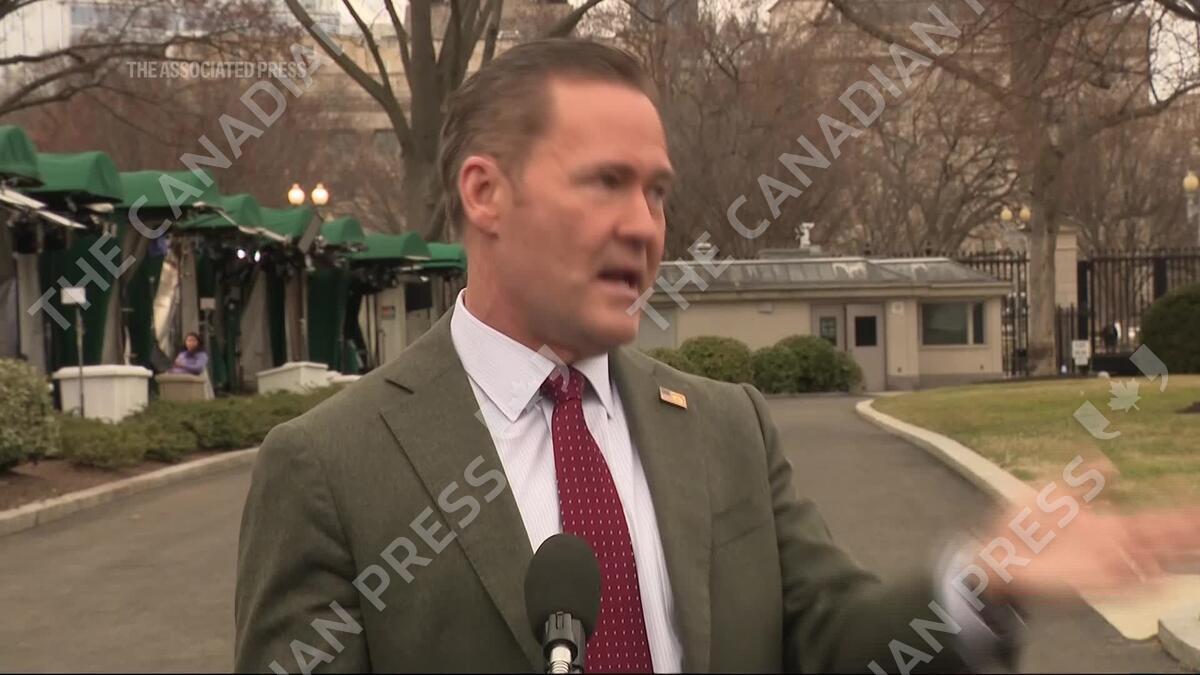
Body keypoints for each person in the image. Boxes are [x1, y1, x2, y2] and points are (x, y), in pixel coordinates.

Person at [234, 39, 1200, 673]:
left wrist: (987, 580)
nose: (645, 226)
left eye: (657, 192)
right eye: (607, 182)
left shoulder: (728, 428)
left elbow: (838, 643)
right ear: (485, 193)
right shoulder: (330, 469)